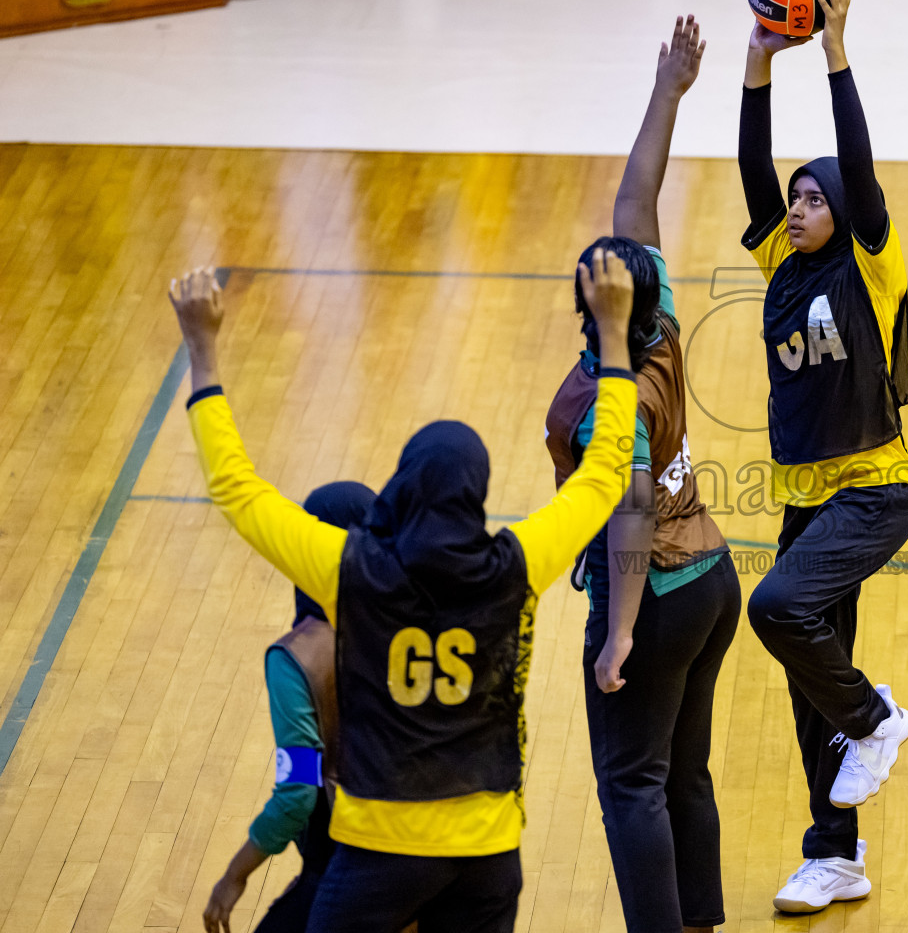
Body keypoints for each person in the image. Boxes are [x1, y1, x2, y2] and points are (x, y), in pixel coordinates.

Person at [167, 255, 638, 933]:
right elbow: (605, 475)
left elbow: (238, 491)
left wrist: (203, 352)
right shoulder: (517, 566)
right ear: (475, 494)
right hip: (487, 850)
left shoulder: (349, 569)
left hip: (378, 854)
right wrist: (615, 335)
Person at [543, 15, 740, 933]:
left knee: (631, 787)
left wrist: (617, 635)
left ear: (596, 306)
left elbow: (624, 514)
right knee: (683, 775)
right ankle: (699, 922)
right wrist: (668, 92)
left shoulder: (606, 405)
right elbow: (637, 204)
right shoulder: (654, 324)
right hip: (711, 579)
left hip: (652, 595)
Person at [736, 0, 908, 914]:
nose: (800, 206)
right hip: (806, 499)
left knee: (775, 610)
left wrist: (836, 54)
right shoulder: (779, 262)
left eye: (815, 198)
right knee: (806, 680)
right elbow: (750, 172)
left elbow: (860, 159)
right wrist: (757, 67)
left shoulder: (869, 265)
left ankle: (875, 717)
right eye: (797, 197)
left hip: (876, 492)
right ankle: (835, 854)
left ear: (844, 215)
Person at [203, 481, 376, 933]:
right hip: (428, 870)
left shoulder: (296, 660)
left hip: (344, 873)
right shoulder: (414, 628)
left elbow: (297, 794)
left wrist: (234, 875)